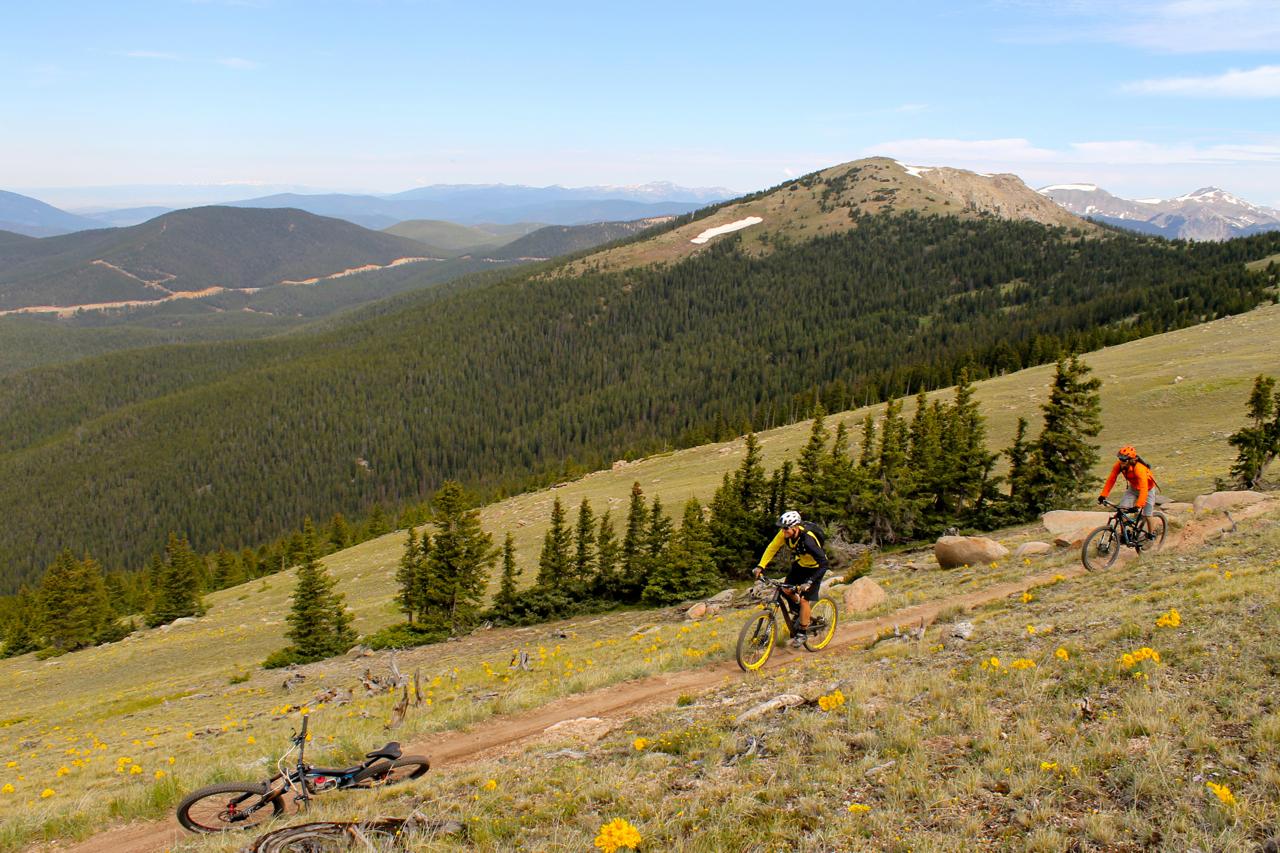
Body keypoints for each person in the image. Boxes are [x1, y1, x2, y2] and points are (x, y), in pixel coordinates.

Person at [750, 510, 830, 647]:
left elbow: (824, 563)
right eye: (782, 528)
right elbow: (772, 547)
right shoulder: (784, 534)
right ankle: (799, 612)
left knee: (805, 600)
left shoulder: (808, 540)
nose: (783, 531)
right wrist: (760, 566)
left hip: (816, 569)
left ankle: (802, 633)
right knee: (785, 590)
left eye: (786, 528)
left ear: (795, 527)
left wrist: (809, 582)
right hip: (800, 564)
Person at [1098, 445, 1159, 539]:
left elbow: (1144, 488)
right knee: (1121, 511)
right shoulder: (1119, 465)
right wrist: (1103, 495)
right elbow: (1111, 479)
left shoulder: (1139, 468)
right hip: (1133, 489)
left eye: (1124, 460)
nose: (1121, 462)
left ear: (1130, 460)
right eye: (1120, 459)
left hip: (1147, 490)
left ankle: (1151, 534)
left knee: (1147, 514)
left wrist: (1138, 505)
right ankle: (1125, 534)